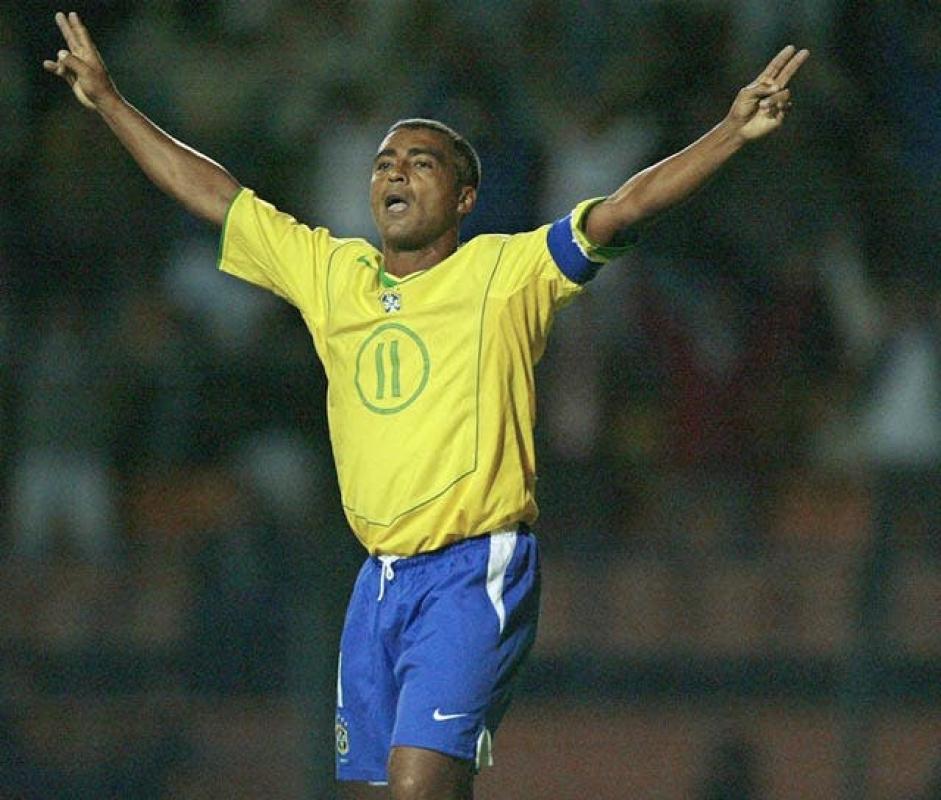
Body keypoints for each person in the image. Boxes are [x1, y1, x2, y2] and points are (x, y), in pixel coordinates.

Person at [44, 10, 808, 799]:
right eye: (383, 163)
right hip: (377, 582)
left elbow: (624, 206)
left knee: (416, 789)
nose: (396, 174)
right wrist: (110, 102)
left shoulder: (505, 273)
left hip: (471, 569)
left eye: (420, 162)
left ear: (466, 195)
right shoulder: (331, 274)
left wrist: (728, 133)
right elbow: (215, 195)